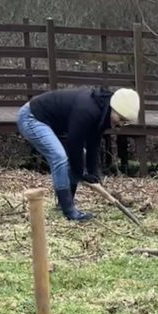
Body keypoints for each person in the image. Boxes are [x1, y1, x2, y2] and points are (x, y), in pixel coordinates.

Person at [16, 87, 140, 220]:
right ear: (115, 108)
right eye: (120, 119)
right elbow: (75, 142)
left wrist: (93, 175)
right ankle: (68, 210)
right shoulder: (88, 109)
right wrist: (81, 173)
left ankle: (64, 204)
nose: (120, 125)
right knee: (59, 157)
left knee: (80, 155)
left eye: (124, 122)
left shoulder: (103, 112)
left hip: (54, 124)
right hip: (32, 117)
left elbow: (93, 144)